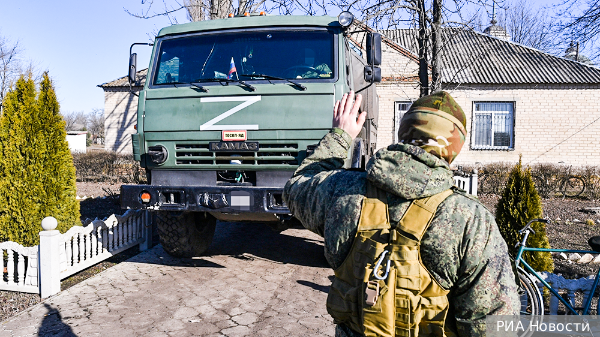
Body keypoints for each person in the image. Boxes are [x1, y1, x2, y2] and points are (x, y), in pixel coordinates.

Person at [283, 91, 520, 336]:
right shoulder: (470, 219)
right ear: (454, 147)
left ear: (404, 132)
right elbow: (494, 325)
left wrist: (340, 135)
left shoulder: (340, 190)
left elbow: (297, 187)